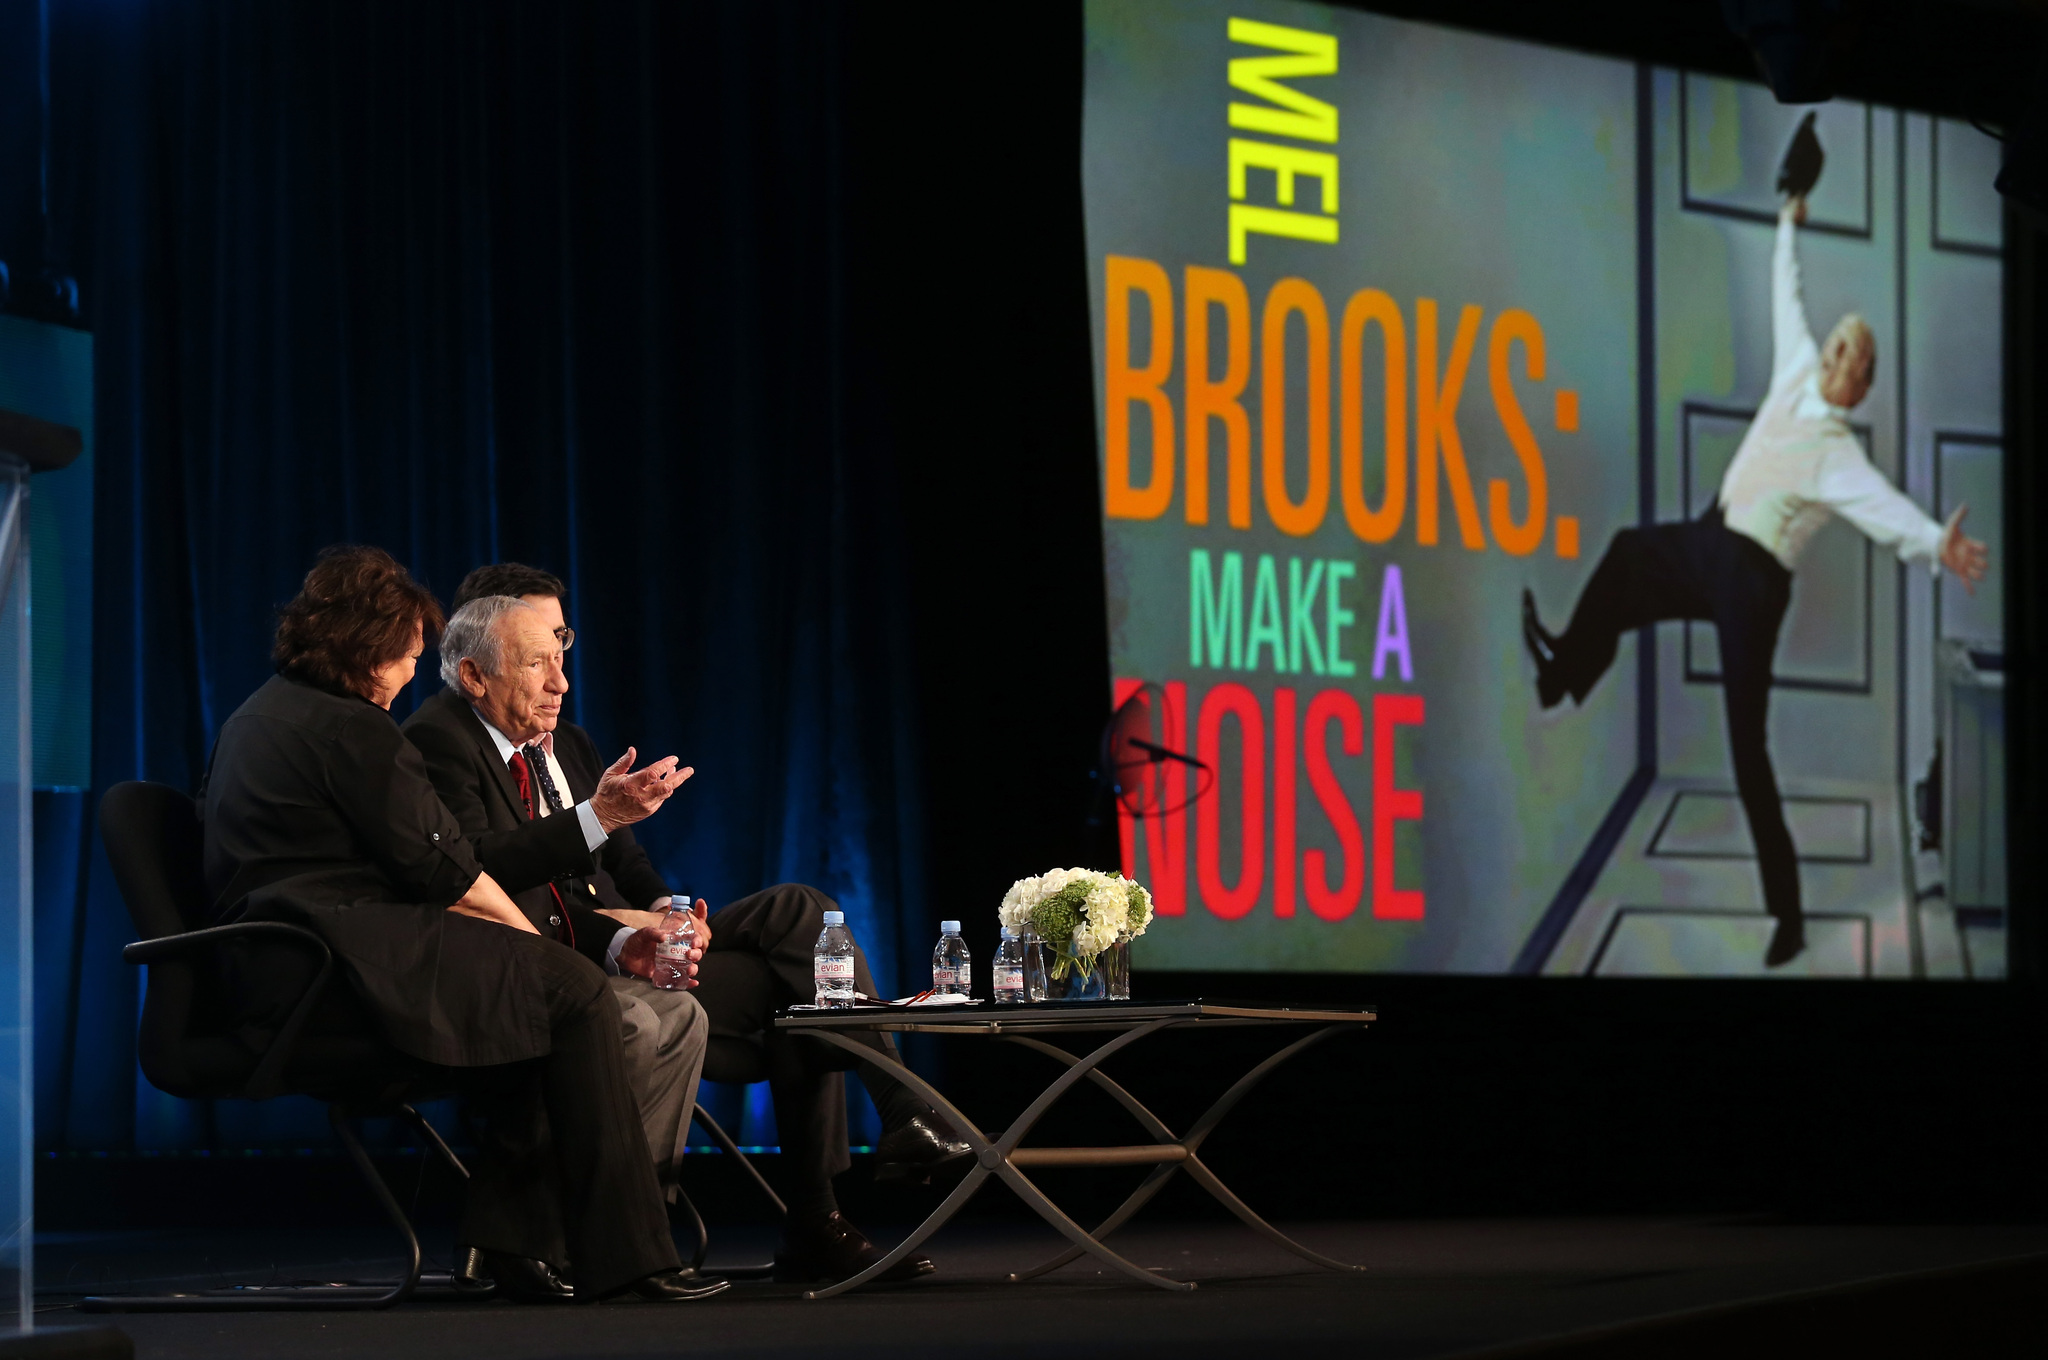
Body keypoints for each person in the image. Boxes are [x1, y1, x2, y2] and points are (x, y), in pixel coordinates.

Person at [405, 562, 971, 1284]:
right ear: (477, 661)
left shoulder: (566, 742)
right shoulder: (440, 740)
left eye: (561, 647)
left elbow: (630, 861)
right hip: (561, 959)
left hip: (631, 939)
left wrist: (674, 913)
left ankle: (882, 1140)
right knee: (785, 995)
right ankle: (804, 1217)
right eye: (539, 652)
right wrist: (617, 913)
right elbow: (479, 874)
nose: (559, 676)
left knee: (797, 918)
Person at [200, 545, 726, 1304]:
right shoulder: (355, 731)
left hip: (279, 961)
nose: (414, 675)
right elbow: (450, 872)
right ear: (367, 650)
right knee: (571, 993)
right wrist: (540, 954)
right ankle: (627, 1259)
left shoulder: (255, 714)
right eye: (409, 657)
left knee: (548, 994)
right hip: (332, 968)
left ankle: (517, 1242)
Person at [1522, 191, 1989, 969]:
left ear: (1862, 388)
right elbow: (1788, 291)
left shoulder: (1841, 457)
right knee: (1628, 553)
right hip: (1712, 538)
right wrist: (1785, 224)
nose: (1842, 361)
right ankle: (1564, 672)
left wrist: (1939, 543)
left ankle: (1790, 918)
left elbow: (1887, 513)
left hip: (1752, 585)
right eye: (1841, 347)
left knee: (1746, 748)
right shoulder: (1797, 366)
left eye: (1858, 364)